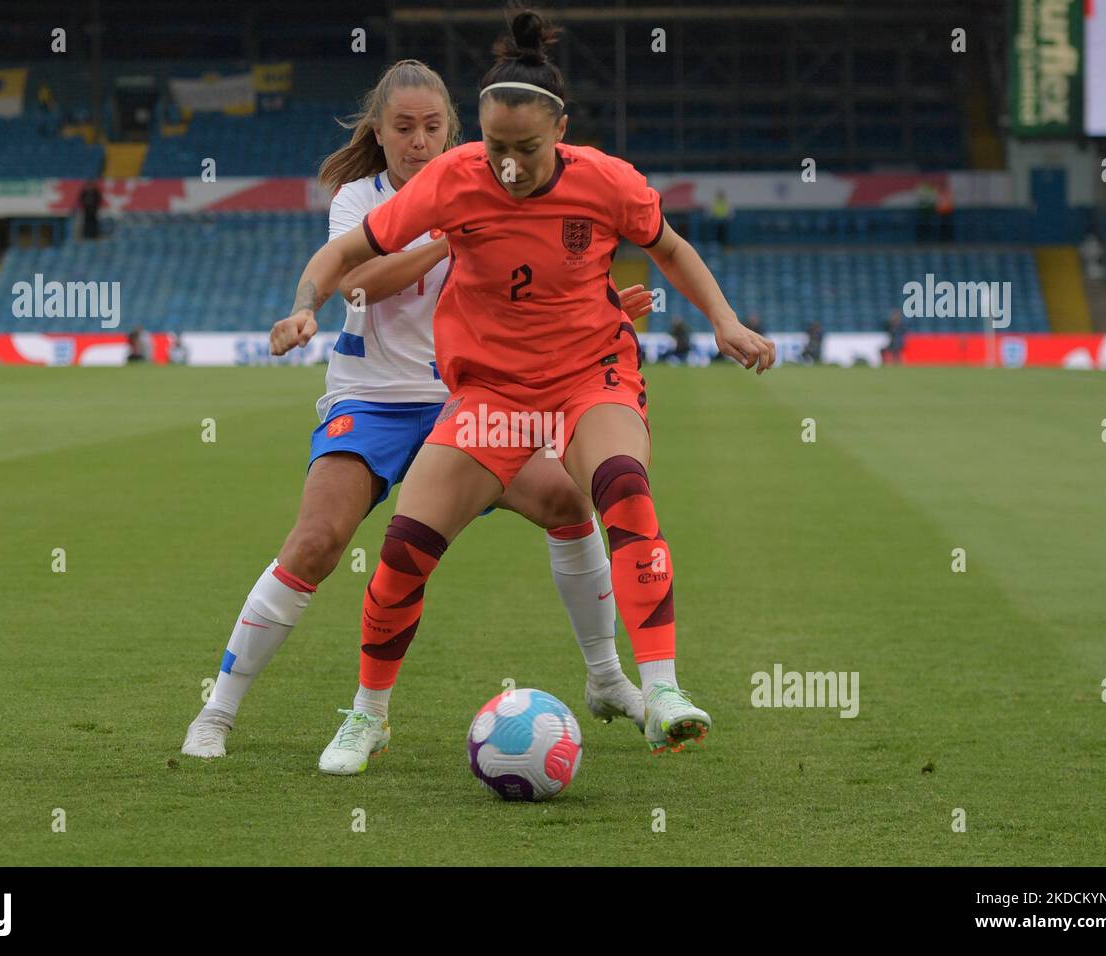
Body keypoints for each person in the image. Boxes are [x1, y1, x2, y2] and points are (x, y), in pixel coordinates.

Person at [268, 8, 774, 758]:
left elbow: (669, 248)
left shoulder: (608, 182)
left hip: (587, 377)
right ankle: (369, 716)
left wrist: (725, 321)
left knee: (623, 487)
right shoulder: (453, 178)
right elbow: (344, 254)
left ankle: (661, 686)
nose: (507, 165)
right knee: (406, 547)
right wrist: (304, 306)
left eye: (527, 150)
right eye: (496, 146)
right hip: (488, 396)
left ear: (560, 129)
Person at [182, 57, 654, 771]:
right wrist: (449, 229)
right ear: (380, 130)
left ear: (453, 130)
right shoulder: (361, 197)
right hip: (371, 399)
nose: (419, 141)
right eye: (403, 127)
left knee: (565, 498)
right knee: (315, 542)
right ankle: (217, 711)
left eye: (433, 127)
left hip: (468, 400)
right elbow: (359, 278)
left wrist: (603, 308)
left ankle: (607, 677)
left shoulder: (490, 186)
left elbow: (535, 291)